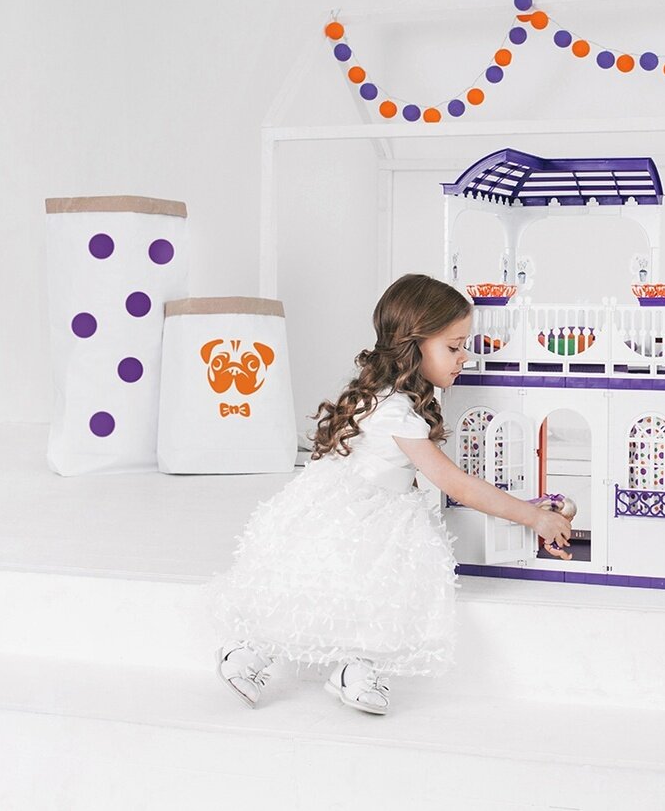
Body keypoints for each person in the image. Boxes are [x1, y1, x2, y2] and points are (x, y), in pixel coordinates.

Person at [209, 274, 573, 715]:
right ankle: (250, 651)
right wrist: (532, 517)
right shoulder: (397, 412)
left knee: (385, 587)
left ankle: (356, 667)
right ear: (413, 345)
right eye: (454, 347)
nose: (465, 357)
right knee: (325, 582)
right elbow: (455, 482)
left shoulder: (388, 397)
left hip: (370, 508)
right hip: (354, 512)